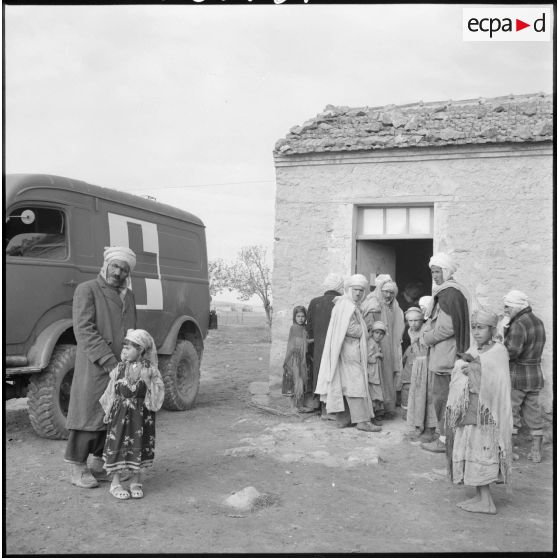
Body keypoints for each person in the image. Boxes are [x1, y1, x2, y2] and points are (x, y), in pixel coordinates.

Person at [64, 246, 138, 488]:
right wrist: (108, 361)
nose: (118, 272)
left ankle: (100, 465)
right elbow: (84, 329)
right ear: (106, 265)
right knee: (88, 414)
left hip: (121, 366)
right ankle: (77, 468)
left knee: (113, 416)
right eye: (115, 266)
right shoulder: (87, 290)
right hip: (96, 365)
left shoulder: (130, 296)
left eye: (123, 269)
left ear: (128, 273)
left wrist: (133, 359)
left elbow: (133, 331)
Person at [446, 309, 513, 515]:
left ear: (492, 330)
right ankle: (480, 496)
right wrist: (466, 367)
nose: (476, 332)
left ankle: (487, 502)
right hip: (470, 412)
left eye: (481, 328)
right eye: (473, 327)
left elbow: (494, 381)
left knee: (481, 451)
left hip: (487, 416)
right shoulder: (476, 349)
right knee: (471, 450)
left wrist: (471, 370)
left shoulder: (498, 351)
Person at [100, 329, 165, 499]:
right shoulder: (119, 369)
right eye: (124, 347)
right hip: (120, 415)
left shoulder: (150, 370)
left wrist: (150, 389)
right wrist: (108, 410)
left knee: (139, 445)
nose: (125, 350)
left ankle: (136, 481)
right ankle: (115, 483)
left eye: (130, 347)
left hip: (141, 417)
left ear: (141, 350)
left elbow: (159, 389)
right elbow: (111, 390)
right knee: (117, 444)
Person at [315, 274, 381, 432]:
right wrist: (365, 330)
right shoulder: (347, 305)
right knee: (356, 385)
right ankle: (362, 421)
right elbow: (350, 329)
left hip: (345, 350)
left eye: (361, 290)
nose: (358, 293)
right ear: (348, 289)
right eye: (355, 290)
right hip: (349, 350)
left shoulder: (346, 304)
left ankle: (344, 419)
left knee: (344, 384)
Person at [421, 253, 470, 453]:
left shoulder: (449, 294)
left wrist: (426, 338)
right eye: (432, 272)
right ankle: (447, 436)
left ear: (447, 271)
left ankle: (444, 440)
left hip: (445, 356)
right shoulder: (451, 292)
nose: (434, 276)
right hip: (446, 353)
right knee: (444, 398)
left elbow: (446, 328)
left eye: (437, 272)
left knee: (442, 398)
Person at [502, 290, 547, 463]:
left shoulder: (519, 324)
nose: (505, 310)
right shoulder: (538, 321)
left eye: (507, 306)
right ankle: (536, 452)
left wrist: (500, 346)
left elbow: (512, 351)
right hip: (535, 375)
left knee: (511, 412)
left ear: (515, 306)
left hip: (518, 376)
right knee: (533, 413)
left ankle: (509, 451)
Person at [362, 276, 405, 418]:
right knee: (377, 378)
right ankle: (376, 410)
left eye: (391, 292)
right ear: (380, 290)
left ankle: (387, 408)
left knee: (388, 375)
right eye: (385, 291)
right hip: (376, 347)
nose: (388, 295)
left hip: (390, 347)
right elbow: (368, 328)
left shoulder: (394, 306)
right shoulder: (373, 304)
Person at [306, 273, 345, 417]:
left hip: (318, 346)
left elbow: (309, 328)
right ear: (340, 286)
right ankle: (331, 409)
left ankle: (321, 406)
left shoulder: (314, 302)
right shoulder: (341, 302)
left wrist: (312, 347)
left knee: (319, 374)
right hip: (336, 346)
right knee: (334, 374)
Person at [282, 305, 315, 412]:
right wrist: (314, 340)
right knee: (295, 381)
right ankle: (293, 407)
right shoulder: (294, 327)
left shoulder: (304, 328)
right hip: (295, 358)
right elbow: (299, 343)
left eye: (302, 316)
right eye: (298, 316)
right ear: (294, 317)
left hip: (302, 358)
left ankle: (299, 406)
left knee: (301, 381)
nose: (300, 318)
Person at [367, 321, 386, 423]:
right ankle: (373, 416)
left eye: (381, 334)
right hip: (372, 372)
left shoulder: (376, 343)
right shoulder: (370, 343)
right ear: (372, 332)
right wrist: (377, 355)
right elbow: (368, 358)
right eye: (376, 333)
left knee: (377, 392)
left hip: (376, 372)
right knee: (374, 393)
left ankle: (378, 413)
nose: (378, 336)